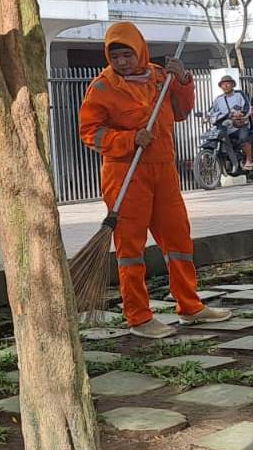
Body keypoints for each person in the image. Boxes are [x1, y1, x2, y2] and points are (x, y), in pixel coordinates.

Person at [79, 21, 232, 338]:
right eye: (116, 56)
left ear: (140, 50)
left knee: (179, 240)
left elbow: (181, 111)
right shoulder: (102, 88)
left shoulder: (160, 78)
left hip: (163, 169)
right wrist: (131, 139)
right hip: (125, 173)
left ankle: (190, 307)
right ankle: (138, 316)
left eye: (127, 54)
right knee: (131, 247)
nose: (122, 62)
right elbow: (90, 133)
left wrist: (184, 80)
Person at [210, 73, 253, 172]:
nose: (226, 86)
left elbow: (247, 107)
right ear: (221, 86)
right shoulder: (218, 100)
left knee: (243, 138)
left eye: (228, 83)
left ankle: (249, 160)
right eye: (223, 84)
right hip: (227, 127)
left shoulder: (239, 94)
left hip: (240, 125)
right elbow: (211, 111)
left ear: (233, 85)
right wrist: (206, 116)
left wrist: (241, 113)